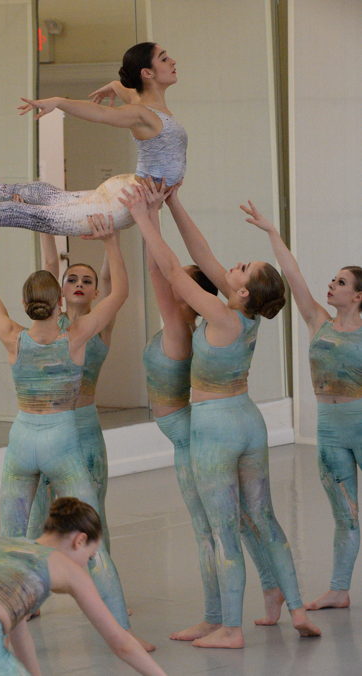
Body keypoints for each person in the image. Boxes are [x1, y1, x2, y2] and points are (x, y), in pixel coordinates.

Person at [120, 185, 321, 648]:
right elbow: (202, 253)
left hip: (216, 427)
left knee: (223, 529)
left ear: (243, 289)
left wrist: (142, 217)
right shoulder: (244, 314)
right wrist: (173, 203)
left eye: (242, 267)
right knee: (264, 519)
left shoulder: (220, 314)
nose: (233, 265)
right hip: (248, 420)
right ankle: (295, 608)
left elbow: (175, 271)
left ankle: (229, 627)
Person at [0, 213, 153, 648]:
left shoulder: (12, 335)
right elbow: (120, 293)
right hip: (62, 442)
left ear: (26, 302)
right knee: (93, 541)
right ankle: (123, 636)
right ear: (59, 302)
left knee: (11, 542)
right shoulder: (76, 336)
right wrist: (112, 242)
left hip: (22, 442)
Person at [0, 42, 186, 234]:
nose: (173, 61)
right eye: (164, 58)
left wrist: (113, 86)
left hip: (127, 187)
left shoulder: (145, 106)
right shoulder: (142, 114)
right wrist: (60, 101)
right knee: (42, 217)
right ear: (147, 73)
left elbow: (125, 91)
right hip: (123, 204)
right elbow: (101, 113)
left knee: (56, 198)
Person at [241, 199, 362, 612]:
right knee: (345, 515)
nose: (332, 285)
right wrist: (272, 232)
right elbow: (293, 277)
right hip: (329, 431)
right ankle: (339, 589)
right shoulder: (318, 321)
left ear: (358, 295)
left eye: (341, 282)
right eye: (333, 280)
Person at [0, 496, 168, 676]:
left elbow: (18, 633)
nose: (86, 564)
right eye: (90, 557)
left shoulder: (5, 545)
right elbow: (121, 643)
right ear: (80, 540)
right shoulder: (68, 569)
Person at [26, 232, 120, 555]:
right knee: (39, 511)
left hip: (85, 428)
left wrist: (111, 238)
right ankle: (35, 579)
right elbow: (49, 265)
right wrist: (44, 226)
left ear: (95, 292)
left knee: (92, 511)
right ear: (61, 291)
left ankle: (101, 579)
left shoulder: (101, 325)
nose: (79, 284)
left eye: (86, 281)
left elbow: (111, 280)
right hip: (51, 427)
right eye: (72, 280)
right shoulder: (53, 324)